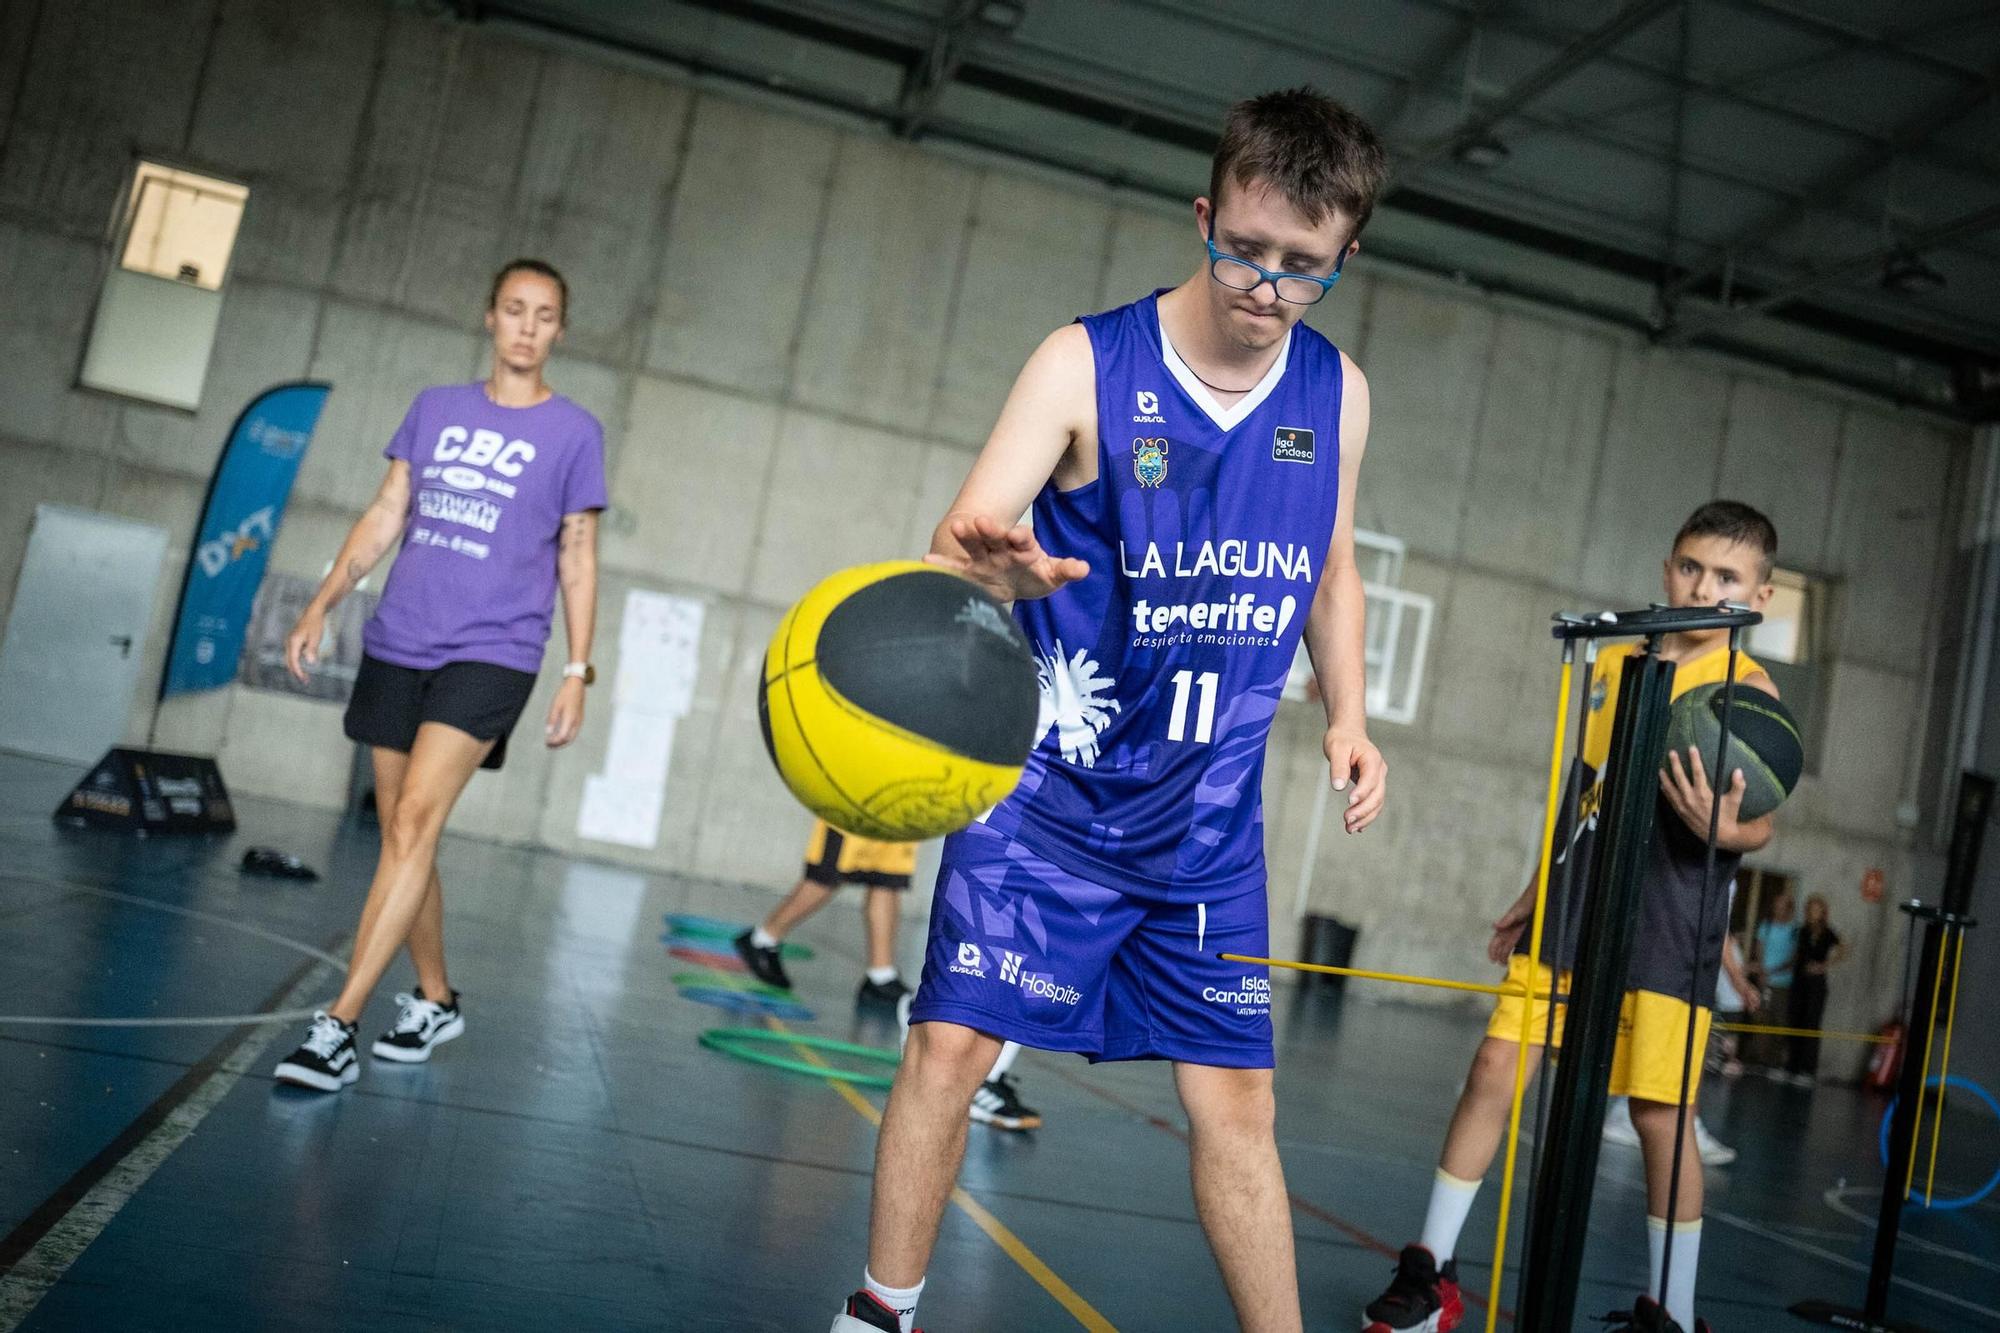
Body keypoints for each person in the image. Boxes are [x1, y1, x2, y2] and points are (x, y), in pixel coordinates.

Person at [832, 87, 1389, 1333]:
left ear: (1343, 257)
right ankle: (880, 1312)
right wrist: (1000, 567)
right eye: (1244, 247)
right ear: (1205, 215)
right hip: (1047, 797)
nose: (1265, 283)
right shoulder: (1084, 362)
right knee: (949, 1049)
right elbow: (953, 544)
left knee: (1238, 1105)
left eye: (1303, 267)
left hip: (1203, 822)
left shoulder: (1338, 397)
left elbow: (1332, 566)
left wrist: (1345, 712)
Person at [1363, 501, 1782, 1333]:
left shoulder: (1750, 692)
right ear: (1668, 568)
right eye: (1692, 567)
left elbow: (1762, 823)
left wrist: (1722, 827)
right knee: (1492, 1068)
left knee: (1663, 1115)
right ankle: (1430, 1271)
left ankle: (1676, 1313)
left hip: (1667, 924)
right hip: (1574, 908)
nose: (1704, 586)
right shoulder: (1621, 661)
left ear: (1759, 598)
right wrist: (1534, 890)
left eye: (1727, 577)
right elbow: (1583, 794)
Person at [272, 259, 605, 1092]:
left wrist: (577, 669)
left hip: (494, 650)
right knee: (401, 834)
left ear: (559, 330)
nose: (527, 326)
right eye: (514, 309)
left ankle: (338, 1022)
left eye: (545, 314)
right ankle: (434, 997)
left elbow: (578, 552)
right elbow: (389, 510)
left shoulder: (575, 432)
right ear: (489, 317)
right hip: (401, 637)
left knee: (417, 817)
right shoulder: (435, 408)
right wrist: (322, 600)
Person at [736, 819, 920, 1004]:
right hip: (855, 803)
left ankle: (881, 975)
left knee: (888, 879)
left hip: (899, 804)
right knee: (827, 875)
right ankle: (762, 939)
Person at [1785, 894, 1845, 1086]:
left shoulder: (1828, 932)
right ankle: (1791, 1066)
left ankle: (1807, 1069)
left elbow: (1843, 949)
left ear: (1822, 912)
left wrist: (1823, 965)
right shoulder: (1801, 931)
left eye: (1816, 909)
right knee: (1796, 1020)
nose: (1812, 912)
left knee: (1812, 1023)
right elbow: (1796, 955)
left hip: (1816, 984)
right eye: (1810, 908)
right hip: (1799, 981)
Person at [1749, 888, 1798, 1075]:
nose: (1777, 908)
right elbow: (1758, 950)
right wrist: (1761, 971)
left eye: (1782, 905)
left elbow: (1793, 959)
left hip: (1782, 983)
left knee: (1779, 1020)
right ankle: (1759, 1059)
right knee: (1761, 1018)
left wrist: (1771, 972)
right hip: (1764, 980)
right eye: (1776, 905)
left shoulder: (1794, 930)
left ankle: (1776, 1061)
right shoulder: (1765, 926)